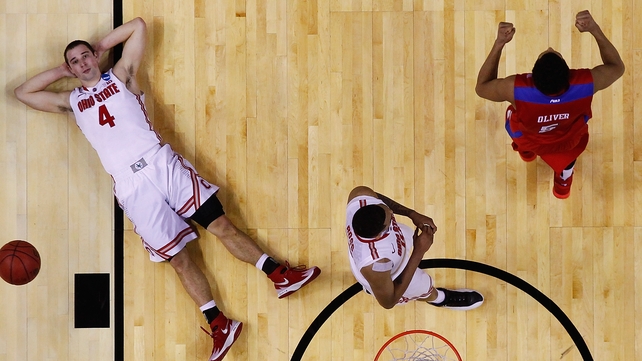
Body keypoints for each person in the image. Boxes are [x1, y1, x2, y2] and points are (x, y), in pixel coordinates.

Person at [14, 17, 321, 361]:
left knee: (221, 225)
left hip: (160, 165)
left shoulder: (121, 74)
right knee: (177, 260)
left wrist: (100, 47)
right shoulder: (71, 101)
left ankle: (280, 274)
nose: (83, 62)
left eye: (86, 55)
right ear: (69, 67)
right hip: (131, 188)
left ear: (95, 56)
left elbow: (138, 27)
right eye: (75, 61)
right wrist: (59, 71)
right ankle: (220, 324)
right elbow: (22, 93)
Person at [475, 10, 625, 199]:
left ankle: (527, 152)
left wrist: (499, 44)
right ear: (569, 73)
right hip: (567, 141)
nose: (550, 47)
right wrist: (594, 30)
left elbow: (482, 87)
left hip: (529, 137)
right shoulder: (584, 84)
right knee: (568, 159)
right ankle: (563, 184)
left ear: (532, 76)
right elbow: (617, 67)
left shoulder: (516, 89)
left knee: (511, 117)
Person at [345, 186, 484, 310]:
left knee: (407, 235)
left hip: (394, 244)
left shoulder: (359, 196)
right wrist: (419, 251)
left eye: (384, 208)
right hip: (392, 275)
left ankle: (379, 285)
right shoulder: (376, 264)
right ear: (377, 236)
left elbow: (378, 199)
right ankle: (440, 299)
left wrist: (412, 214)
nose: (391, 211)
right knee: (423, 287)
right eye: (389, 218)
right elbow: (389, 302)